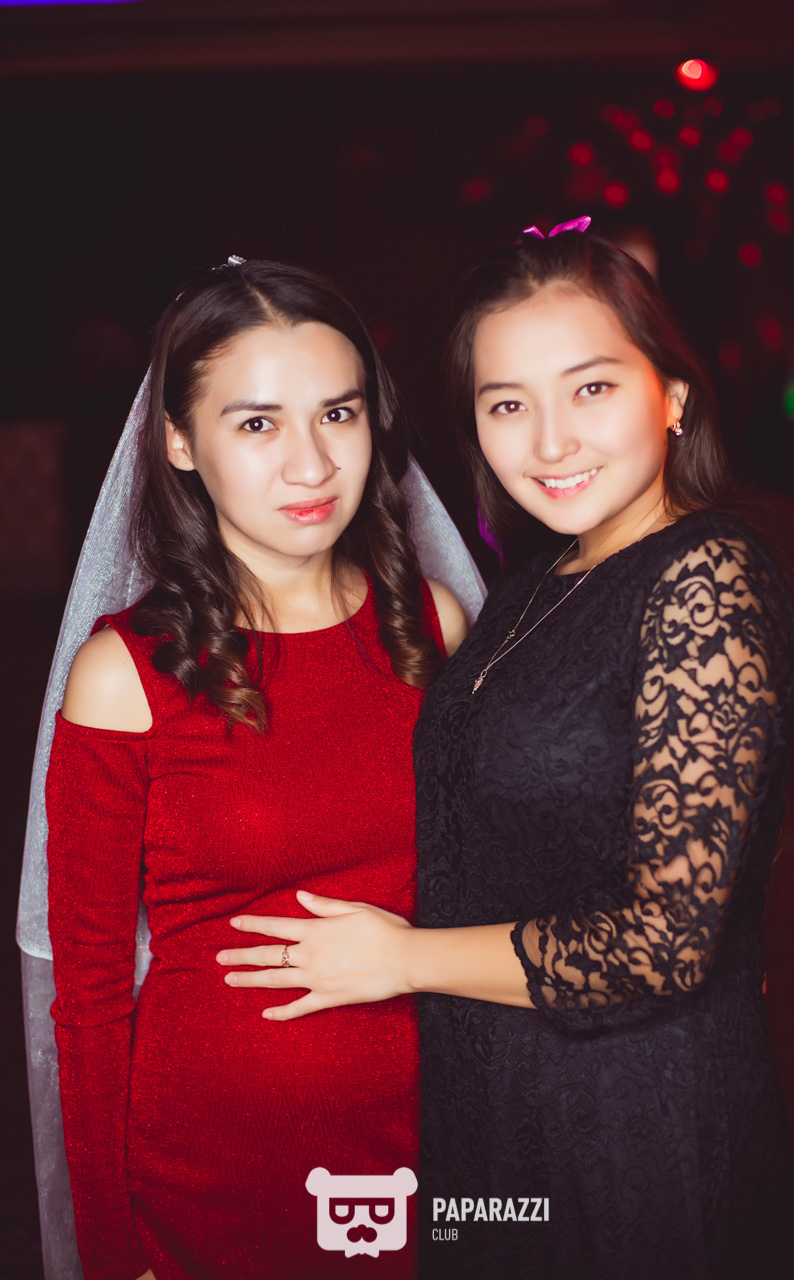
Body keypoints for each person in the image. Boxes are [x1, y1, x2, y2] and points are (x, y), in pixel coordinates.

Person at [221, 225, 794, 1279]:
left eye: (590, 389)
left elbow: (665, 943)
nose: (549, 442)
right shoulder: (536, 583)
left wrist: (400, 958)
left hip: (630, 1125)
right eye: (507, 405)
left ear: (672, 394)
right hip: (489, 1103)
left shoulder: (704, 575)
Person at [26, 257, 486, 1280]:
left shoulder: (435, 630)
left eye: (337, 414)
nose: (310, 464)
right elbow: (89, 998)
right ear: (180, 442)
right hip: (209, 1182)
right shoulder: (125, 675)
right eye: (257, 423)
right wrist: (113, 1253)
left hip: (435, 1142)